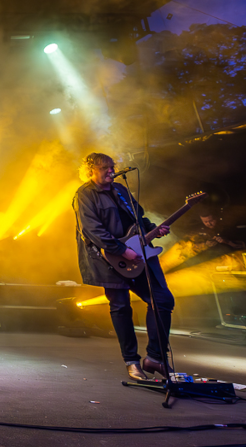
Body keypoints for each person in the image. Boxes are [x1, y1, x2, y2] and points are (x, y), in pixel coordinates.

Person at [73, 153, 172, 381]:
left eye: (112, 166)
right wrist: (120, 249)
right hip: (109, 259)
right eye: (105, 168)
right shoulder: (84, 194)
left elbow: (138, 218)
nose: (111, 171)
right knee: (121, 307)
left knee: (162, 299)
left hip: (138, 254)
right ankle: (131, 362)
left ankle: (155, 357)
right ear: (90, 171)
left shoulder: (120, 189)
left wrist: (154, 229)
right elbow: (91, 229)